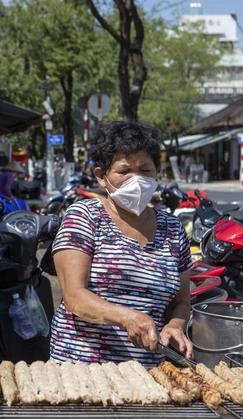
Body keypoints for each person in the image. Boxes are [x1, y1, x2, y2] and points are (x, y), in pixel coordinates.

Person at [49, 120, 193, 367]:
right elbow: (74, 296)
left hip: (151, 372)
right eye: (124, 171)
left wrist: (174, 326)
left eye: (145, 170)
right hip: (83, 369)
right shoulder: (84, 216)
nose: (136, 179)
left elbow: (181, 302)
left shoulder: (173, 228)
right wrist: (127, 318)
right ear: (102, 177)